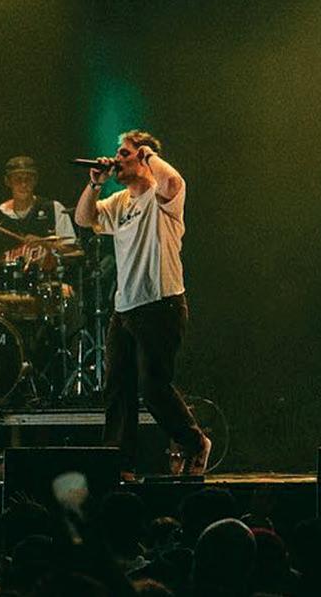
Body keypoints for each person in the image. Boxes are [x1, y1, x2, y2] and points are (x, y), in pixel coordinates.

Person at [75, 130, 210, 475]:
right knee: (117, 389)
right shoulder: (120, 202)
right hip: (125, 308)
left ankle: (195, 442)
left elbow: (173, 181)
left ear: (145, 156)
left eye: (124, 153)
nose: (116, 159)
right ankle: (120, 465)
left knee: (153, 387)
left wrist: (148, 155)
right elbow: (84, 219)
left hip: (160, 303)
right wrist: (95, 184)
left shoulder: (162, 195)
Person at [0, 156, 77, 262]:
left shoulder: (53, 209)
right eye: (18, 180)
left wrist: (44, 243)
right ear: (8, 182)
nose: (23, 184)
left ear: (35, 181)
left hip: (49, 272)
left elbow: (72, 251)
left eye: (28, 180)